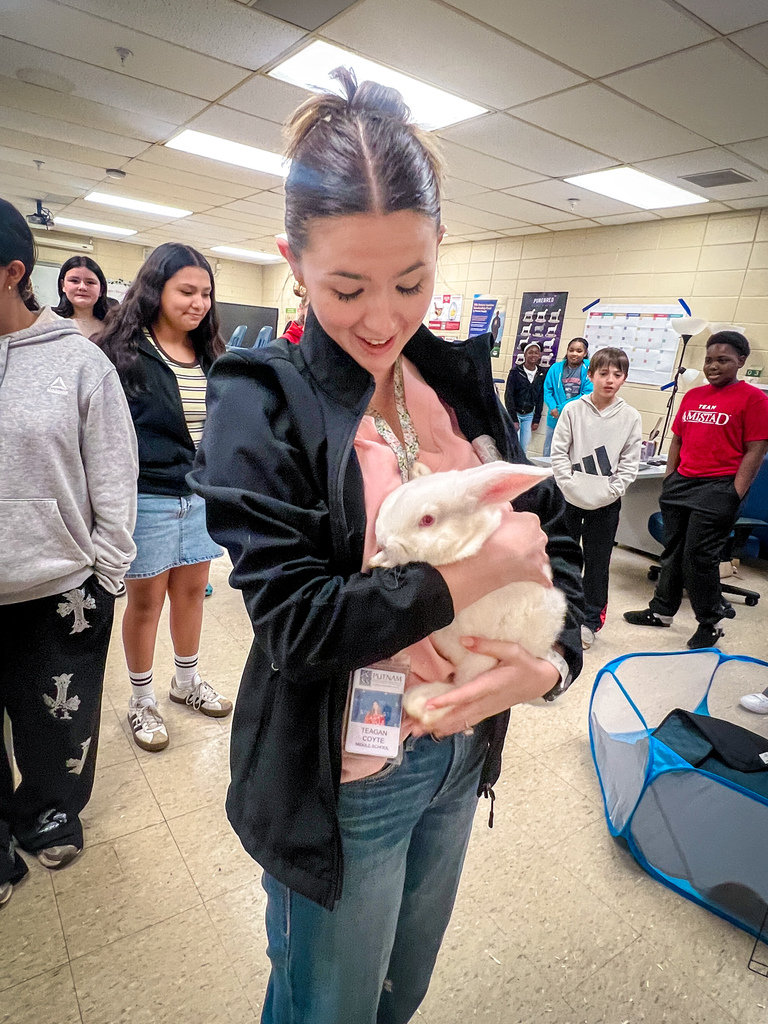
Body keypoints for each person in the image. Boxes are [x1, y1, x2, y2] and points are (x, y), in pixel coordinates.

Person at [190, 69, 584, 1024]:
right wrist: (479, 569)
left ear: (440, 248)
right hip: (346, 772)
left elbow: (554, 534)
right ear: (292, 259)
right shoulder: (261, 398)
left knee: (404, 986)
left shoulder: (453, 379)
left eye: (411, 283)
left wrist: (552, 667)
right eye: (346, 287)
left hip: (460, 748)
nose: (381, 318)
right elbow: (297, 626)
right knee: (329, 1003)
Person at [0, 198, 137, 905]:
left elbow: (114, 475)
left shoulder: (82, 365)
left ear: (12, 272)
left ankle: (50, 813)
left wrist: (107, 571)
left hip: (60, 587)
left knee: (60, 723)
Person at [96, 243, 232, 753]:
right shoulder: (122, 353)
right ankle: (140, 698)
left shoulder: (212, 356)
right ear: (156, 291)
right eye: (186, 291)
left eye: (206, 293)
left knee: (193, 593)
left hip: (198, 496)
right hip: (147, 497)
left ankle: (186, 683)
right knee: (146, 602)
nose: (198, 302)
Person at [625, 330, 768, 650]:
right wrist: (670, 478)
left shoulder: (753, 399)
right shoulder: (693, 396)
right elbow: (677, 439)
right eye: (709, 360)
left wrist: (735, 491)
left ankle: (711, 622)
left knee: (698, 558)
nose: (713, 366)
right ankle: (661, 611)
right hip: (682, 484)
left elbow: (756, 448)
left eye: (723, 360)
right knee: (672, 552)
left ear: (741, 361)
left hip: (718, 488)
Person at [551, 347, 642, 649]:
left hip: (605, 505)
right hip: (569, 499)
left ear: (624, 379)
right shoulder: (572, 410)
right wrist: (569, 487)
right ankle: (559, 616)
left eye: (617, 375)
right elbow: (559, 453)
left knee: (598, 563)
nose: (610, 380)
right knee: (563, 559)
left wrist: (612, 490)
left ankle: (589, 621)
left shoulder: (630, 417)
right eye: (603, 373)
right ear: (590, 375)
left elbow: (630, 462)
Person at [542, 337, 592, 456]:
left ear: (585, 353)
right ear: (567, 351)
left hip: (576, 417)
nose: (574, 354)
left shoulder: (590, 369)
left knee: (571, 453)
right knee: (549, 451)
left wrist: (561, 409)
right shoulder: (555, 368)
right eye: (571, 350)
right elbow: (547, 390)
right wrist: (553, 407)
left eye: (579, 351)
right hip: (555, 417)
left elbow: (586, 393)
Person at [52, 255, 110, 340]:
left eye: (90, 282)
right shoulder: (50, 322)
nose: (82, 287)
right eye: (74, 281)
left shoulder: (113, 327)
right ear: (62, 285)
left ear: (101, 289)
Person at [504, 341, 547, 454]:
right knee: (513, 446)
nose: (533, 355)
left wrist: (536, 419)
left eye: (536, 353)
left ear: (540, 355)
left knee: (524, 447)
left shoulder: (542, 373)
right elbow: (509, 395)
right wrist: (513, 419)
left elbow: (540, 397)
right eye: (530, 352)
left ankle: (520, 468)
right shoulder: (515, 372)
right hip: (515, 413)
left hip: (529, 415)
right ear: (524, 354)